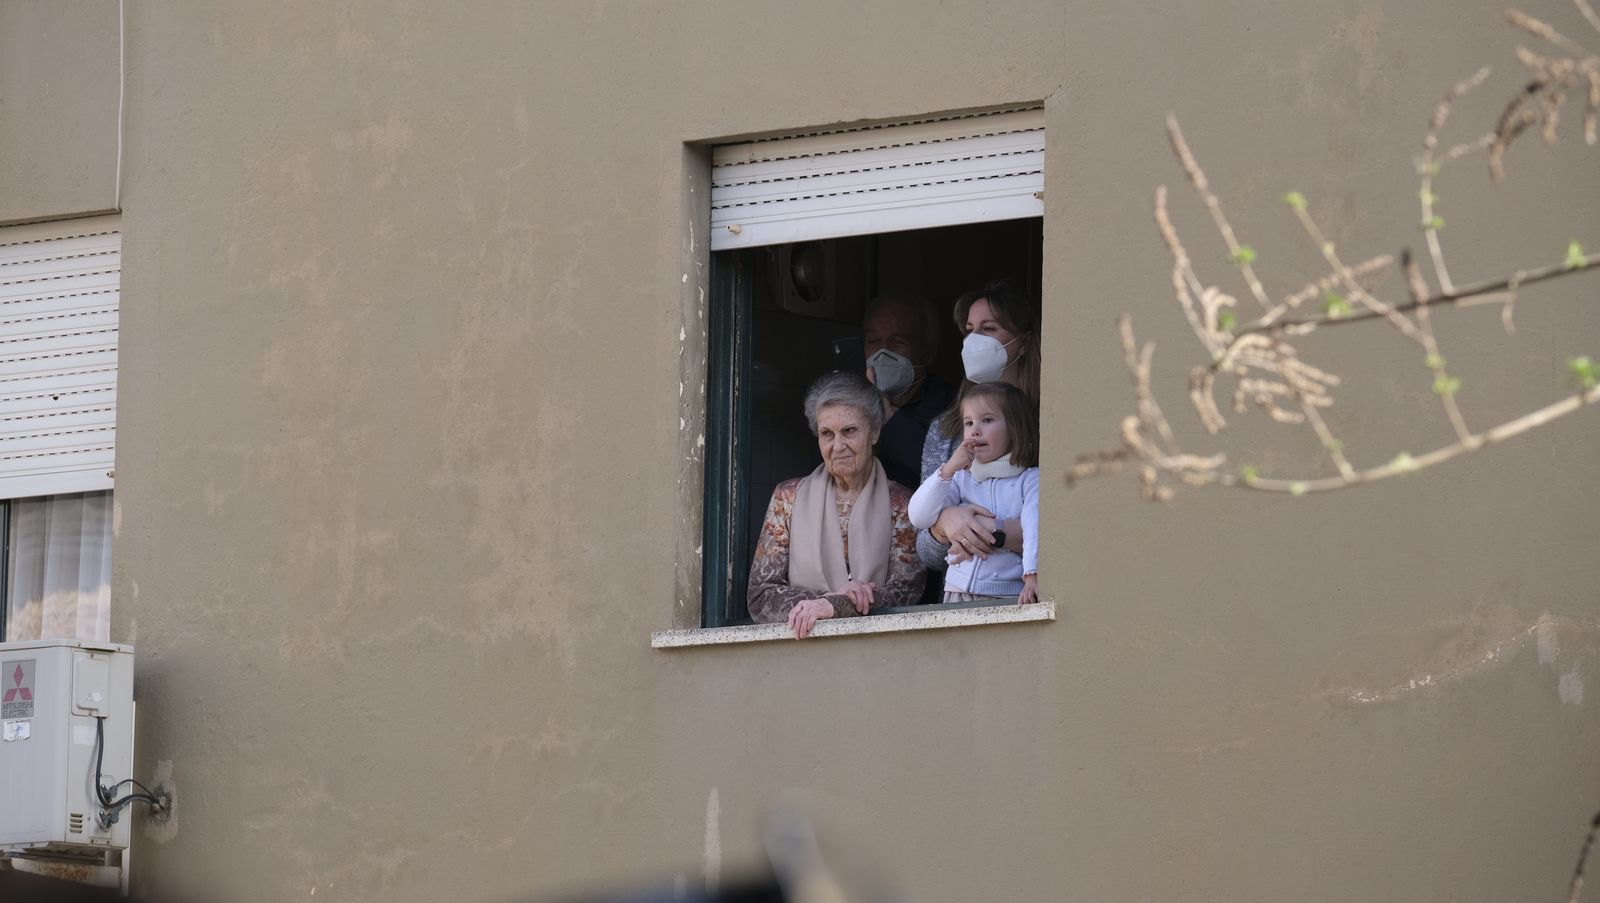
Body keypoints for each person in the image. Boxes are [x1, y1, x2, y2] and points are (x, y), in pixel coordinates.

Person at [747, 371, 925, 638]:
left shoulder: (904, 504)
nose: (838, 445)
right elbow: (760, 596)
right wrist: (830, 601)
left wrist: (837, 605)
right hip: (801, 648)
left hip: (876, 651)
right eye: (827, 434)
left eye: (849, 431)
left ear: (874, 431)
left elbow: (906, 594)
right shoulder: (787, 498)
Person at [917, 281, 1042, 574]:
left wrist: (992, 531)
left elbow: (1066, 532)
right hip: (959, 594)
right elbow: (924, 551)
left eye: (988, 329)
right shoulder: (946, 430)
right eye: (970, 330)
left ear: (1023, 343)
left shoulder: (1049, 422)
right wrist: (944, 525)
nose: (975, 341)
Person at [909, 382, 1040, 605]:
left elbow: (1034, 529)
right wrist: (947, 470)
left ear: (1015, 428)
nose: (975, 430)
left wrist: (1032, 576)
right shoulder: (961, 477)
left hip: (1006, 594)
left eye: (987, 420)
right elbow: (919, 516)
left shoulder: (1029, 480)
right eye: (968, 422)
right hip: (955, 591)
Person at [861, 292, 957, 490]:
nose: (883, 352)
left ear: (927, 352)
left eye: (898, 341)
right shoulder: (852, 401)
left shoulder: (955, 406)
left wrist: (888, 416)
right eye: (873, 341)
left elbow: (943, 474)